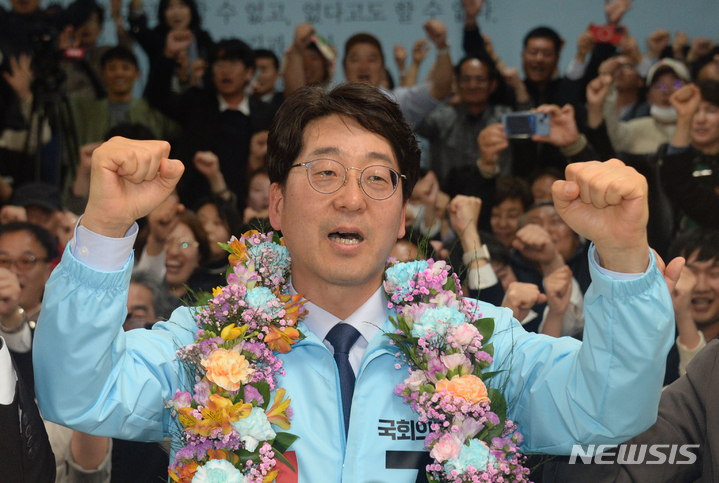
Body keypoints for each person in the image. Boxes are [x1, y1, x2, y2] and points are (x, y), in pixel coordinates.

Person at [34, 83, 681, 482]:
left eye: (378, 177)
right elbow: (79, 392)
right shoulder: (207, 348)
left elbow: (610, 407)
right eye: (323, 173)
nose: (351, 197)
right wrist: (104, 228)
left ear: (402, 213)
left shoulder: (479, 350)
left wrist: (623, 254)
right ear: (278, 205)